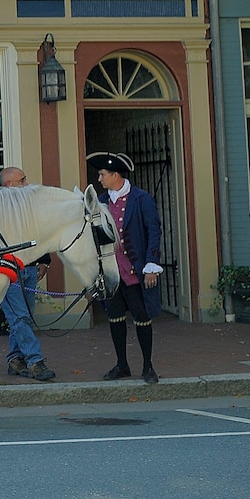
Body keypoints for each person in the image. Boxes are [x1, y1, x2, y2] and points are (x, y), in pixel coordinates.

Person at [87, 151, 163, 384]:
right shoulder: (100, 201)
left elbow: (153, 231)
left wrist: (151, 265)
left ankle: (148, 366)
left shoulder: (141, 199)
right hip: (111, 272)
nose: (99, 179)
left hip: (134, 270)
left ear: (115, 174)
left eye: (102, 175)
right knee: (115, 318)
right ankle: (122, 364)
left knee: (142, 318)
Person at [0, 166, 55, 382]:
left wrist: (44, 261)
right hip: (9, 271)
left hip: (29, 267)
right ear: (9, 185)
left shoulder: (27, 205)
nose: (26, 184)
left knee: (23, 318)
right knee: (20, 317)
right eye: (21, 180)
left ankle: (15, 358)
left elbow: (38, 233)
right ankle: (35, 361)